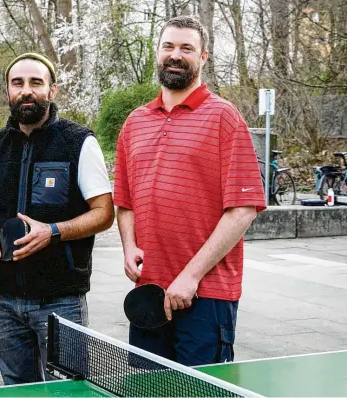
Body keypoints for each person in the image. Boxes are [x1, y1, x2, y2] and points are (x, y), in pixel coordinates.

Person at [112, 15, 266, 366]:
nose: (176, 55)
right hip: (149, 293)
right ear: (157, 52)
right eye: (168, 46)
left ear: (203, 57)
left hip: (207, 297)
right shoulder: (135, 122)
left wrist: (191, 276)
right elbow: (125, 201)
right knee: (145, 392)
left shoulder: (224, 117)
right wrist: (129, 246)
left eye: (187, 48)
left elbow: (243, 209)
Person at [0, 53, 114, 385]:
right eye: (17, 83)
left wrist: (52, 232)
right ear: (7, 91)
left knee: (68, 394)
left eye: (36, 82)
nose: (26, 91)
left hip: (61, 299)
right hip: (3, 298)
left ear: (52, 90)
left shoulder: (79, 141)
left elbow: (104, 213)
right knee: (18, 392)